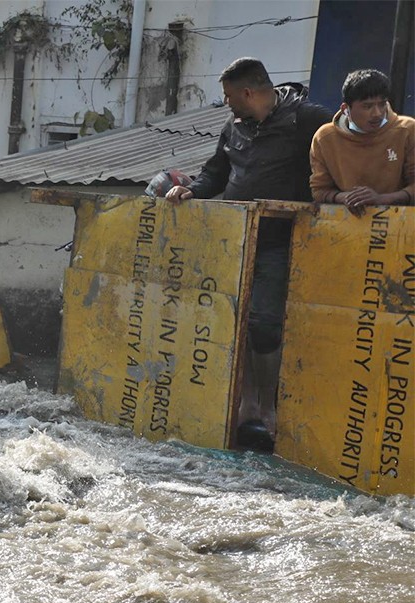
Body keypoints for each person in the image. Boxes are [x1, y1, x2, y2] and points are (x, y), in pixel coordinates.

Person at [165, 57, 333, 451]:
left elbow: (336, 164)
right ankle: (238, 405)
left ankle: (265, 406)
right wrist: (193, 190)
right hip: (235, 240)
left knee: (266, 324)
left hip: (282, 240)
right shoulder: (234, 127)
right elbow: (216, 172)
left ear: (248, 92)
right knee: (230, 322)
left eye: (228, 96)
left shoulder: (307, 119)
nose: (226, 104)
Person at [310, 68, 415, 213]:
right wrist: (346, 198)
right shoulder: (325, 138)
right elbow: (319, 190)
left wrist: (381, 199)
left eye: (382, 104)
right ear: (346, 109)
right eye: (367, 106)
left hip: (401, 225)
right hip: (346, 225)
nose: (377, 113)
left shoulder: (407, 130)